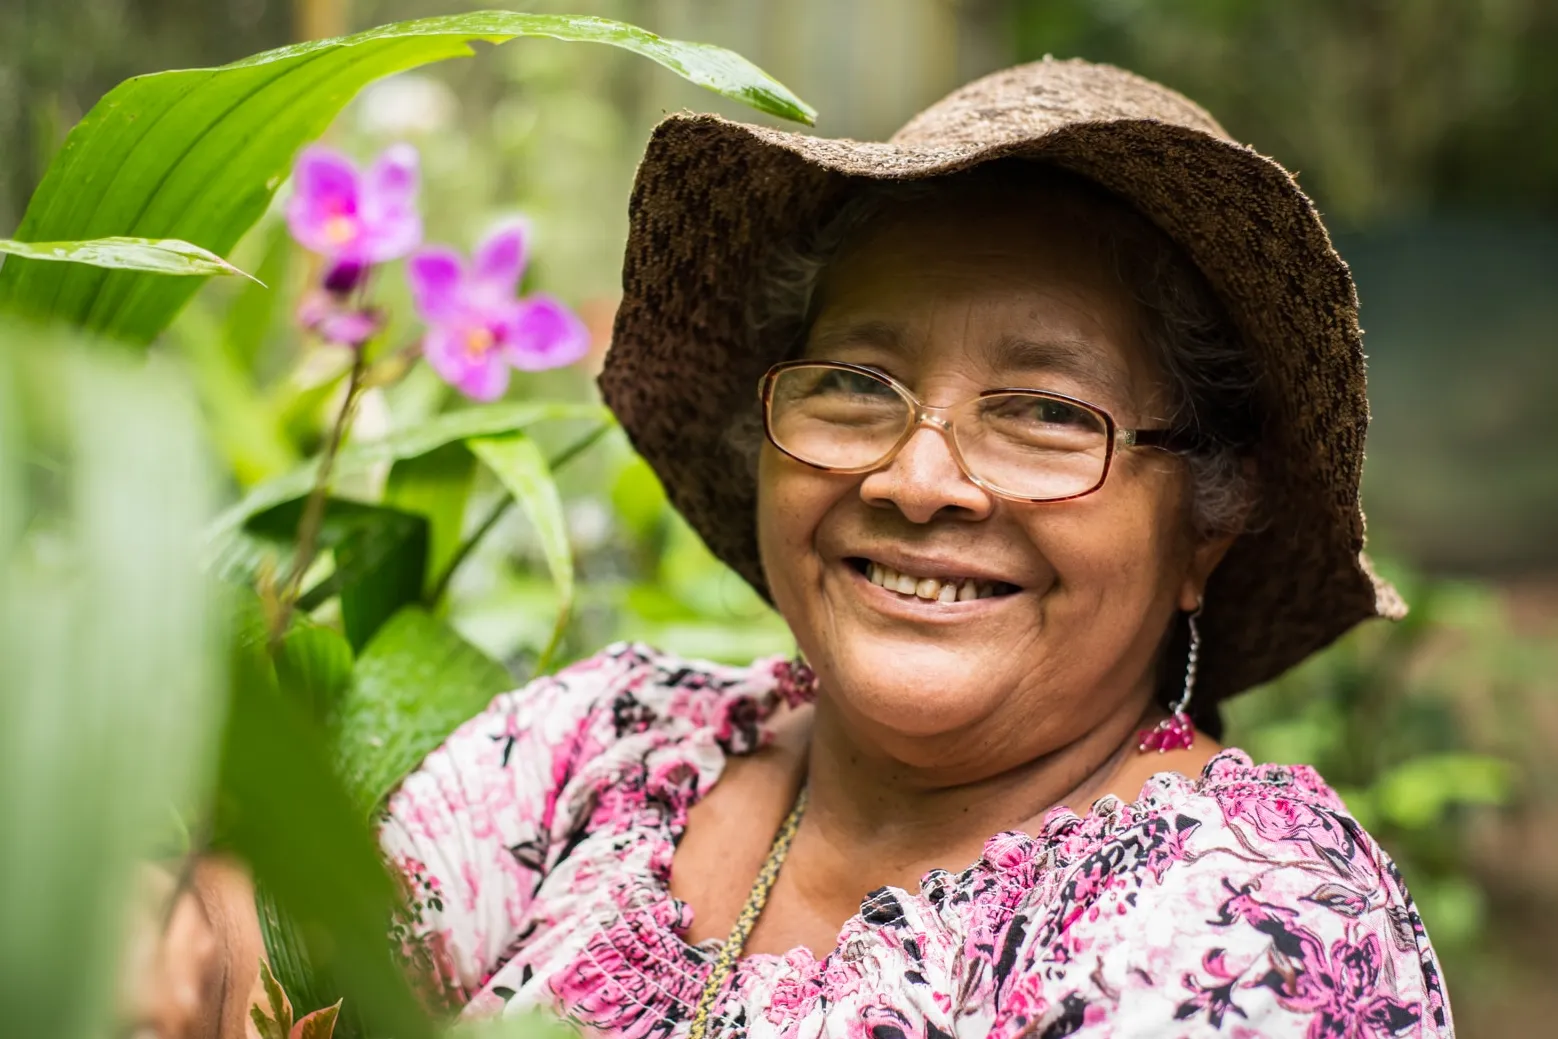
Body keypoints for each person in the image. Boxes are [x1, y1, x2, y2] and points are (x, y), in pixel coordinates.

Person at [139, 58, 1453, 1038]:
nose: (917, 473)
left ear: (1204, 530)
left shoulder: (1248, 916)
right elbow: (275, 962)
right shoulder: (611, 750)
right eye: (855, 385)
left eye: (1048, 412)